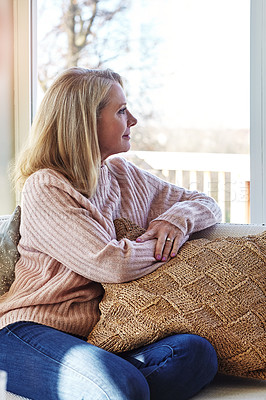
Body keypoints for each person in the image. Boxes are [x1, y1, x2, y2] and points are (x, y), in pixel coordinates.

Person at [0, 67, 222, 400]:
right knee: (119, 385)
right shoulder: (46, 186)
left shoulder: (121, 174)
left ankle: (115, 386)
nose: (132, 119)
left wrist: (175, 222)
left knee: (196, 354)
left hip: (98, 339)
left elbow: (205, 203)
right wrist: (161, 247)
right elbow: (111, 264)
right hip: (28, 331)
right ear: (85, 122)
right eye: (120, 111)